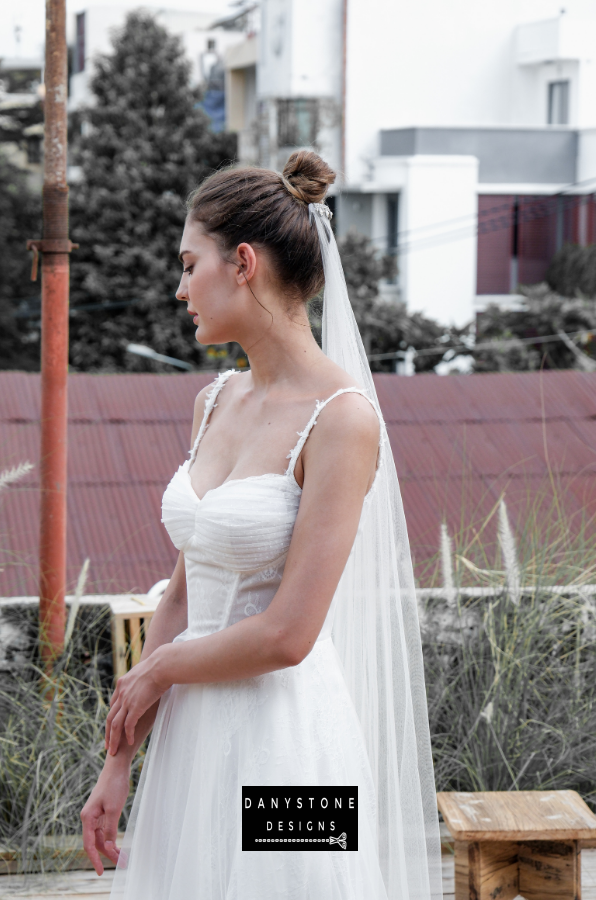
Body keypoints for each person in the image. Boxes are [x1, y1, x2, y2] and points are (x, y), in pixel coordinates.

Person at [81, 151, 443, 899]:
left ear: (242, 262)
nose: (181, 288)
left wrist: (159, 669)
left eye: (190, 264)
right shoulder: (213, 401)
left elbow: (289, 635)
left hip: (293, 746)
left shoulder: (343, 421)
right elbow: (184, 591)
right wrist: (122, 758)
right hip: (189, 742)